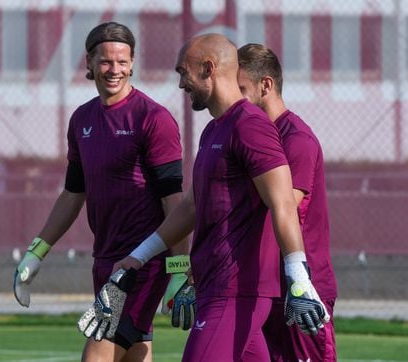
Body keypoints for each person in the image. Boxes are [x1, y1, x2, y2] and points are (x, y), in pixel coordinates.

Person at [113, 33, 330, 361]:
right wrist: (139, 256)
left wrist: (298, 277)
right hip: (214, 285)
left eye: (183, 72)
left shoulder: (251, 126)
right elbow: (191, 206)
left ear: (208, 69)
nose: (181, 83)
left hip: (236, 290)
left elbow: (283, 202)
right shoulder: (214, 129)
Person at [12, 21, 189, 361]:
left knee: (97, 352)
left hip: (142, 262)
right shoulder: (81, 120)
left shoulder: (154, 118)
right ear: (90, 63)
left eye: (123, 61)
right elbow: (73, 194)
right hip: (105, 258)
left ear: (133, 62)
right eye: (106, 61)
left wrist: (179, 268)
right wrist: (37, 253)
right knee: (134, 351)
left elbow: (174, 200)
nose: (115, 70)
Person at [237, 42, 338, 362]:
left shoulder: (297, 140)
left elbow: (281, 207)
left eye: (240, 89)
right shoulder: (250, 135)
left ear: (265, 85)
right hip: (264, 284)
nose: (234, 100)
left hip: (301, 287)